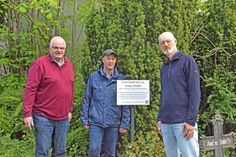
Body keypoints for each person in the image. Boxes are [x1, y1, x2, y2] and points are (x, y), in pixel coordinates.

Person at [22, 36, 74, 157]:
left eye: (62, 48)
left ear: (65, 49)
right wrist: (27, 114)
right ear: (50, 48)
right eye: (55, 47)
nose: (59, 50)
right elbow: (30, 89)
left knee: (60, 152)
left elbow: (70, 88)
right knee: (43, 152)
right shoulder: (39, 64)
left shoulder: (69, 64)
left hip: (63, 117)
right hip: (43, 116)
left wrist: (69, 109)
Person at [156, 32, 201, 157]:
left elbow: (195, 92)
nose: (165, 44)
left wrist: (191, 121)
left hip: (184, 123)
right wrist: (160, 118)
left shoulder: (188, 61)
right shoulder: (164, 67)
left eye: (168, 41)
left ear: (175, 41)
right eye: (162, 43)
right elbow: (164, 94)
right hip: (166, 123)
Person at [81, 49, 130, 157]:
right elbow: (87, 99)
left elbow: (125, 105)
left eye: (113, 59)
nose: (110, 61)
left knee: (110, 153)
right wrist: (84, 119)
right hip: (95, 121)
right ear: (103, 60)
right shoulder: (94, 77)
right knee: (94, 150)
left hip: (113, 122)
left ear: (115, 61)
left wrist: (124, 124)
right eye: (108, 58)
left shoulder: (121, 79)